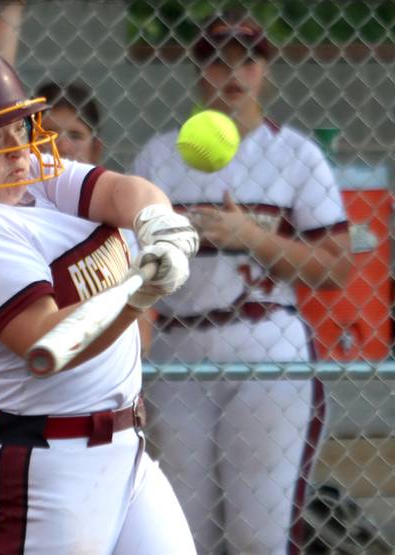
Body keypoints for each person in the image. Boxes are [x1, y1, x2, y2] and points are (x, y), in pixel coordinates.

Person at [0, 44, 198, 554]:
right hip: (45, 470)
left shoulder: (27, 178)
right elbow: (46, 339)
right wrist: (139, 291)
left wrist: (158, 225)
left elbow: (123, 191)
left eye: (18, 129)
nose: (18, 151)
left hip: (125, 452)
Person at [133, 11, 351, 555]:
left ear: (266, 70)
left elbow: (337, 267)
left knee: (259, 536)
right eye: (215, 58)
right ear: (196, 69)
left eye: (247, 58)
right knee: (187, 536)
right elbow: (134, 272)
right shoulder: (160, 156)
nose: (232, 71)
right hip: (178, 349)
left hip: (265, 345)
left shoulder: (296, 153)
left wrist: (252, 237)